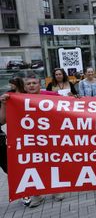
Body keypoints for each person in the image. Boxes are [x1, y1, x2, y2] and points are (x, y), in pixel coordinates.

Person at [0, 74, 65, 207]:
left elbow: (70, 104)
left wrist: (77, 98)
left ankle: (56, 189)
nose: (31, 86)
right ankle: (36, 194)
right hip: (27, 140)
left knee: (52, 163)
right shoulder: (14, 99)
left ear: (39, 84)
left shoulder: (50, 95)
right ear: (24, 86)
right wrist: (3, 104)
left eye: (34, 83)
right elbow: (2, 121)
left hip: (48, 138)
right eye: (28, 84)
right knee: (31, 166)